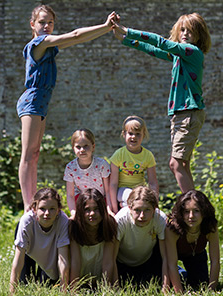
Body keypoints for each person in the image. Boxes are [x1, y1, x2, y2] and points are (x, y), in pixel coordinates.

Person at [17, 4, 119, 211]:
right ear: (32, 24)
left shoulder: (50, 47)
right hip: (32, 100)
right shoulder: (39, 43)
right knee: (28, 153)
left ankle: (33, 197)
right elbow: (74, 35)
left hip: (42, 101)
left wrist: (105, 29)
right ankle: (28, 202)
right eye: (42, 22)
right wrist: (105, 25)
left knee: (35, 153)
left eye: (50, 22)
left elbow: (79, 39)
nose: (46, 26)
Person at [112, 13, 211, 194]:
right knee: (182, 164)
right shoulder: (179, 56)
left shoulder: (192, 53)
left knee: (175, 164)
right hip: (181, 114)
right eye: (182, 30)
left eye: (191, 31)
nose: (185, 34)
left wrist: (128, 31)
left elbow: (160, 42)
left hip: (189, 112)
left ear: (199, 35)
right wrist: (125, 39)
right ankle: (193, 204)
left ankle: (191, 205)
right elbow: (154, 50)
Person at [9, 188, 70, 293]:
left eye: (52, 209)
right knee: (25, 285)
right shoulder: (26, 221)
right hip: (30, 251)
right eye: (42, 208)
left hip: (50, 258)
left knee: (47, 287)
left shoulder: (63, 221)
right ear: (34, 209)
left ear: (58, 210)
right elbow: (18, 261)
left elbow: (63, 259)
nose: (47, 213)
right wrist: (11, 292)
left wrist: (64, 290)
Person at [114, 186, 168, 291]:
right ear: (129, 208)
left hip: (147, 261)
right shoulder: (120, 220)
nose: (142, 216)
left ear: (154, 209)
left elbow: (165, 256)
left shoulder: (160, 219)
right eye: (137, 210)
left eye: (147, 210)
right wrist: (115, 288)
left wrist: (165, 288)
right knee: (129, 286)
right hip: (122, 264)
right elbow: (111, 257)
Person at [166, 190, 220, 292]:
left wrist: (211, 289)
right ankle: (180, 271)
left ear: (204, 211)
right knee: (173, 282)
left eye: (196, 211)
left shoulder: (210, 227)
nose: (191, 216)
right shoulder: (173, 228)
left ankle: (183, 273)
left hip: (196, 254)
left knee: (200, 283)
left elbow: (215, 261)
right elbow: (171, 263)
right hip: (172, 256)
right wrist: (179, 292)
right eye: (186, 211)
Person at [109, 115, 159, 213]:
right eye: (130, 133)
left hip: (140, 190)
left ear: (143, 135)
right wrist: (114, 208)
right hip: (122, 190)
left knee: (141, 198)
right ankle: (124, 206)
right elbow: (113, 184)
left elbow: (152, 182)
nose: (133, 137)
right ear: (124, 134)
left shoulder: (148, 156)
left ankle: (126, 205)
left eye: (138, 134)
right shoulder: (118, 155)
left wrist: (155, 205)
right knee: (130, 195)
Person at [69, 188, 118, 287]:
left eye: (96, 209)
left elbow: (109, 261)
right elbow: (75, 261)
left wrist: (106, 289)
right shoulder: (73, 226)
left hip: (101, 273)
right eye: (87, 210)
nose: (92, 214)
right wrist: (74, 289)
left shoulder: (109, 223)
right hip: (80, 273)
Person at [63, 129, 111, 218]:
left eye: (86, 146)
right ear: (73, 148)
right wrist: (73, 213)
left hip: (101, 199)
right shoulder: (70, 167)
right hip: (82, 200)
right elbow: (70, 195)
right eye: (78, 147)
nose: (82, 150)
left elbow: (108, 191)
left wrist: (109, 209)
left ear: (93, 147)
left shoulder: (102, 164)